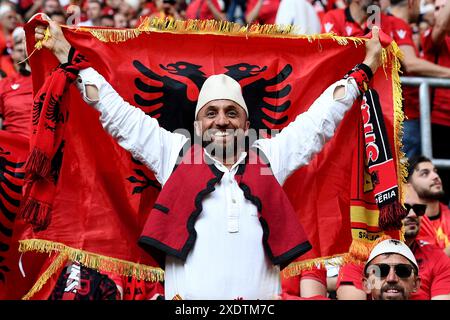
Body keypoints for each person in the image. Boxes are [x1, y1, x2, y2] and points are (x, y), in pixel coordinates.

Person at [35, 17, 382, 299]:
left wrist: (364, 69)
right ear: (198, 124)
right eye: (211, 113)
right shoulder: (173, 153)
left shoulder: (271, 156)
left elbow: (319, 121)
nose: (221, 120)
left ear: (247, 123)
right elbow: (119, 115)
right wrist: (69, 58)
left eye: (231, 112)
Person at [337, 187, 450, 299]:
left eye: (418, 209)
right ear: (384, 213)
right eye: (404, 208)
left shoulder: (437, 256)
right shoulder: (359, 256)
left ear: (416, 283)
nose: (413, 214)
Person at [421, 0, 450, 206]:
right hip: (440, 123)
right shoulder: (431, 37)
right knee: (441, 188)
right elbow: (440, 27)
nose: (441, 12)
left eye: (444, 7)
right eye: (438, 8)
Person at [407, 155, 450, 257]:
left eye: (435, 171)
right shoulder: (408, 222)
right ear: (408, 184)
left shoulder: (447, 213)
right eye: (425, 173)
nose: (435, 176)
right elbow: (429, 266)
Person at [0, 26, 33, 139]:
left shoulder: (51, 79)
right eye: (19, 50)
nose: (24, 53)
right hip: (14, 149)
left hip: (48, 149)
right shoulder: (4, 84)